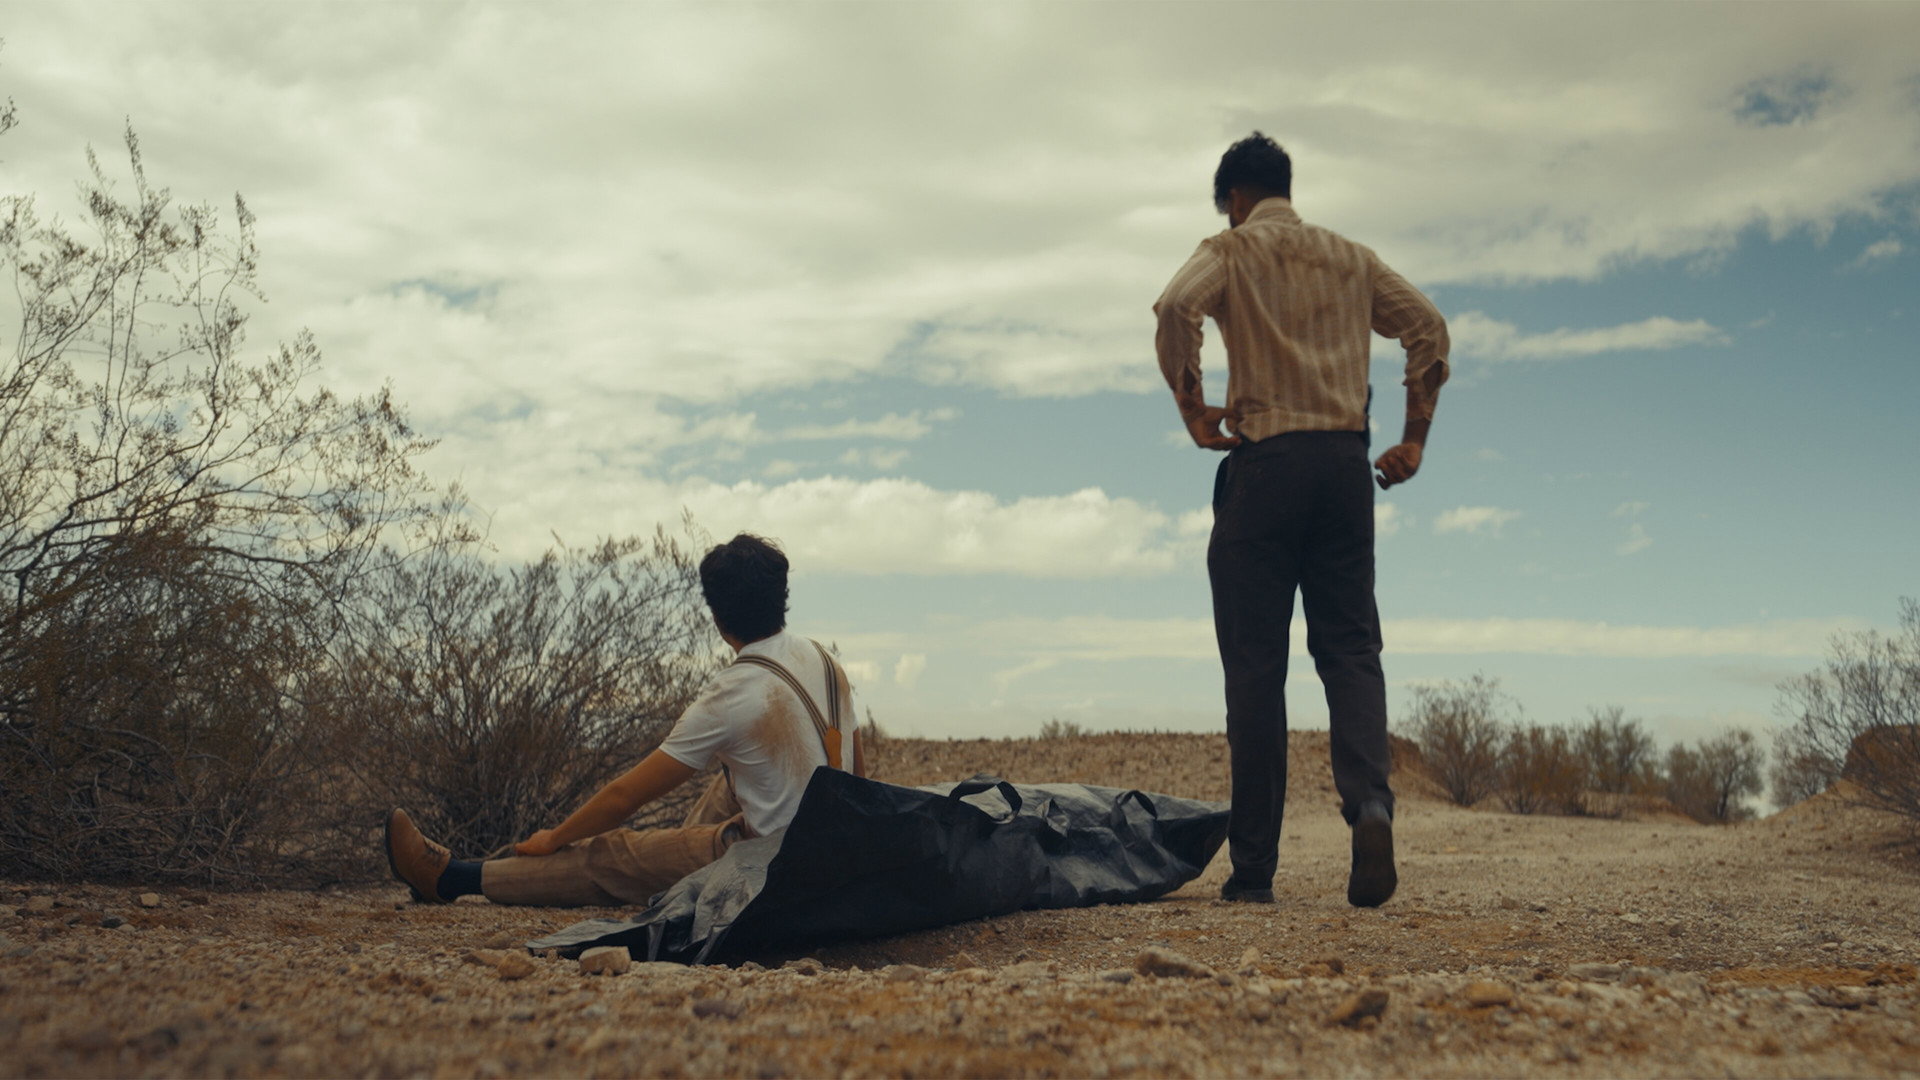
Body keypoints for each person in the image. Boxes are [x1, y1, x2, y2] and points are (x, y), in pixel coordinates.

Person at [1153, 132, 1449, 908]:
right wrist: (1414, 437)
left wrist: (1193, 408)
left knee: (1256, 668)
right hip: (1345, 468)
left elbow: (1177, 307)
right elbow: (1428, 327)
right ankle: (1371, 806)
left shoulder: (1230, 250)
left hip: (1266, 468)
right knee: (1350, 648)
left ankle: (1254, 869)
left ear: (1235, 199)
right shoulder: (1353, 259)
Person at [383, 533, 866, 906]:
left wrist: (554, 837)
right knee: (729, 783)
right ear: (782, 598)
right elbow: (856, 776)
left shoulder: (732, 693)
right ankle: (677, 882)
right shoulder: (827, 663)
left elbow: (624, 797)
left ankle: (451, 878)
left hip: (773, 871)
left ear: (718, 618)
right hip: (837, 856)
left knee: (609, 855)